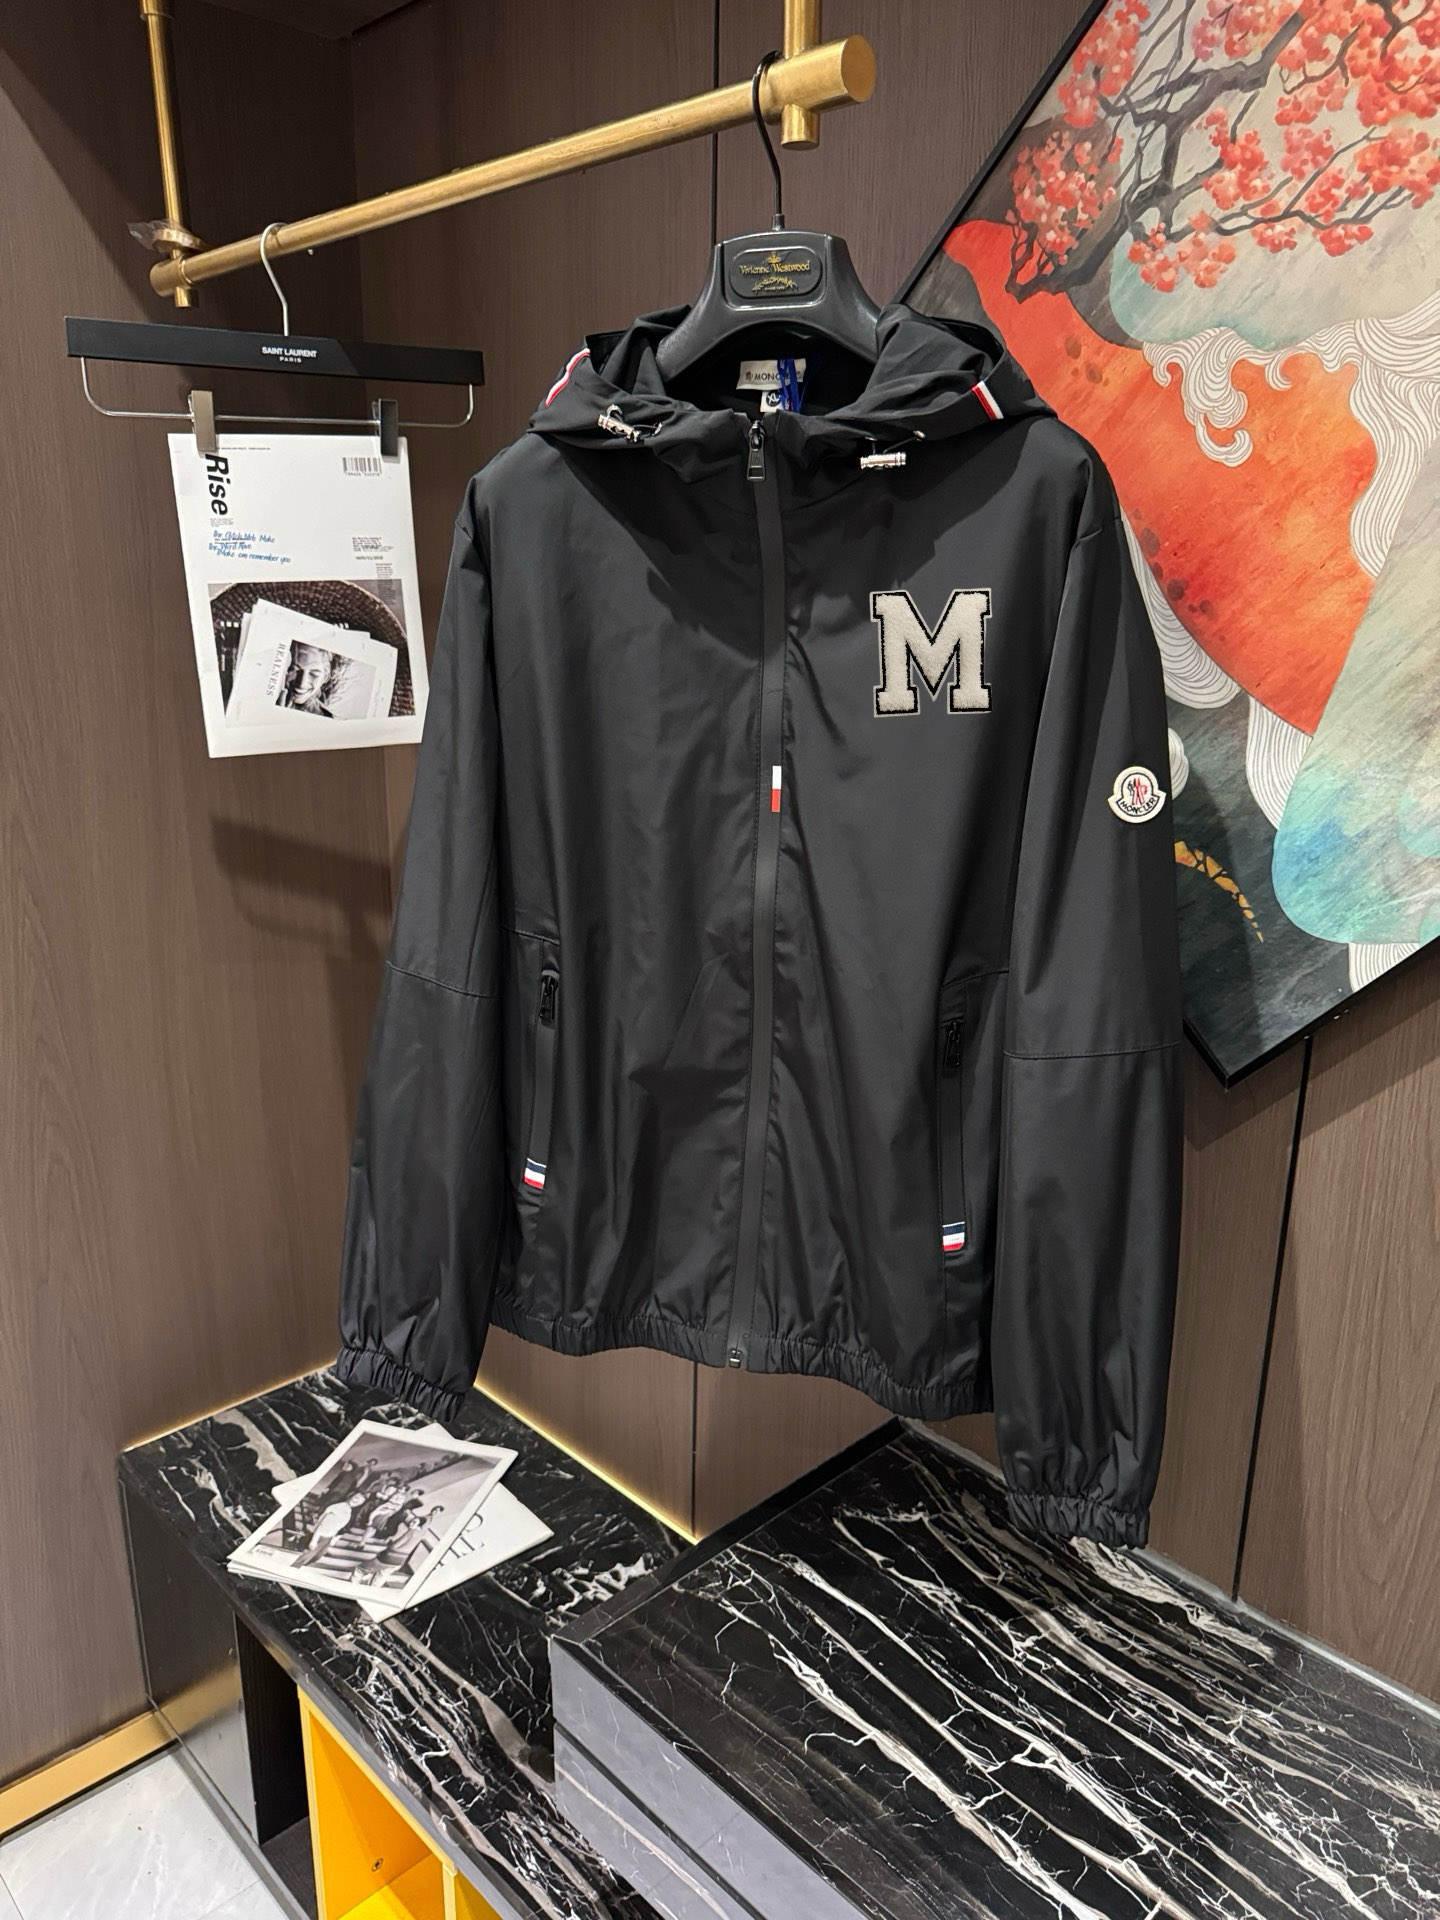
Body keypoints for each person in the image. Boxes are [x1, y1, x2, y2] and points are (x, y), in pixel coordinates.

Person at [293, 1494, 355, 1569]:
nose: (358, 1500)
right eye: (356, 1497)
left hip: (328, 1536)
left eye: (362, 1500)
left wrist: (334, 1538)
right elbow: (322, 1525)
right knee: (305, 1558)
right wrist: (314, 1540)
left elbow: (339, 1527)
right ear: (349, 1496)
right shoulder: (339, 1507)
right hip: (321, 1534)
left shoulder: (347, 1510)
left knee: (316, 1557)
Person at [280, 641, 338, 718]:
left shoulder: (326, 717)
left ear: (325, 677)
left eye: (314, 674)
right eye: (295, 670)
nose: (302, 684)